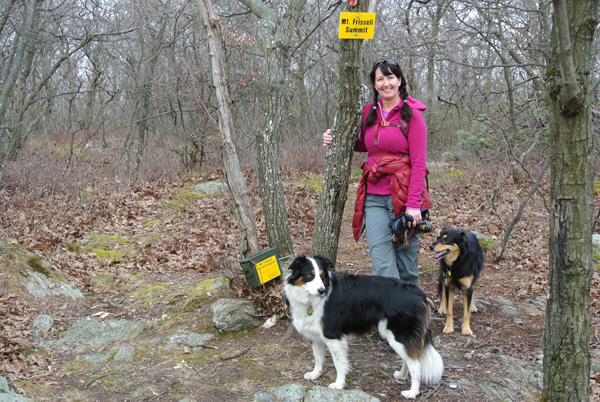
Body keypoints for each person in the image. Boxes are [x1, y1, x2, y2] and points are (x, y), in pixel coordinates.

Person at [322, 58, 429, 285]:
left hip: (403, 198)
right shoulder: (369, 112)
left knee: (406, 266)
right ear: (374, 84)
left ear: (399, 80)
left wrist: (413, 205)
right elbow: (365, 145)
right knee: (382, 264)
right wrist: (336, 139)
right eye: (380, 79)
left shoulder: (413, 115)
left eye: (390, 77)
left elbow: (419, 164)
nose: (385, 83)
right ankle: (390, 316)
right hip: (374, 198)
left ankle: (412, 317)